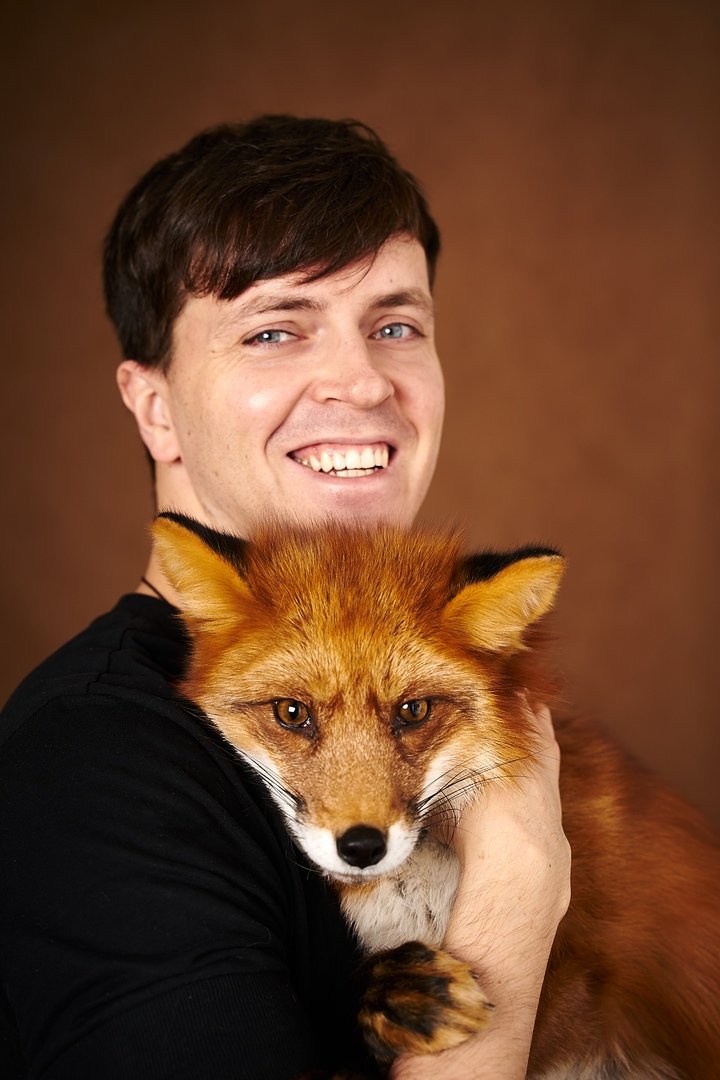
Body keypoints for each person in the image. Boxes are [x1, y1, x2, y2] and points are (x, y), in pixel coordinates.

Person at [0, 116, 570, 1079]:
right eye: (273, 330)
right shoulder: (91, 769)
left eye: (394, 327)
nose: (362, 381)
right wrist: (519, 885)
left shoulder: (455, 670)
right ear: (154, 407)